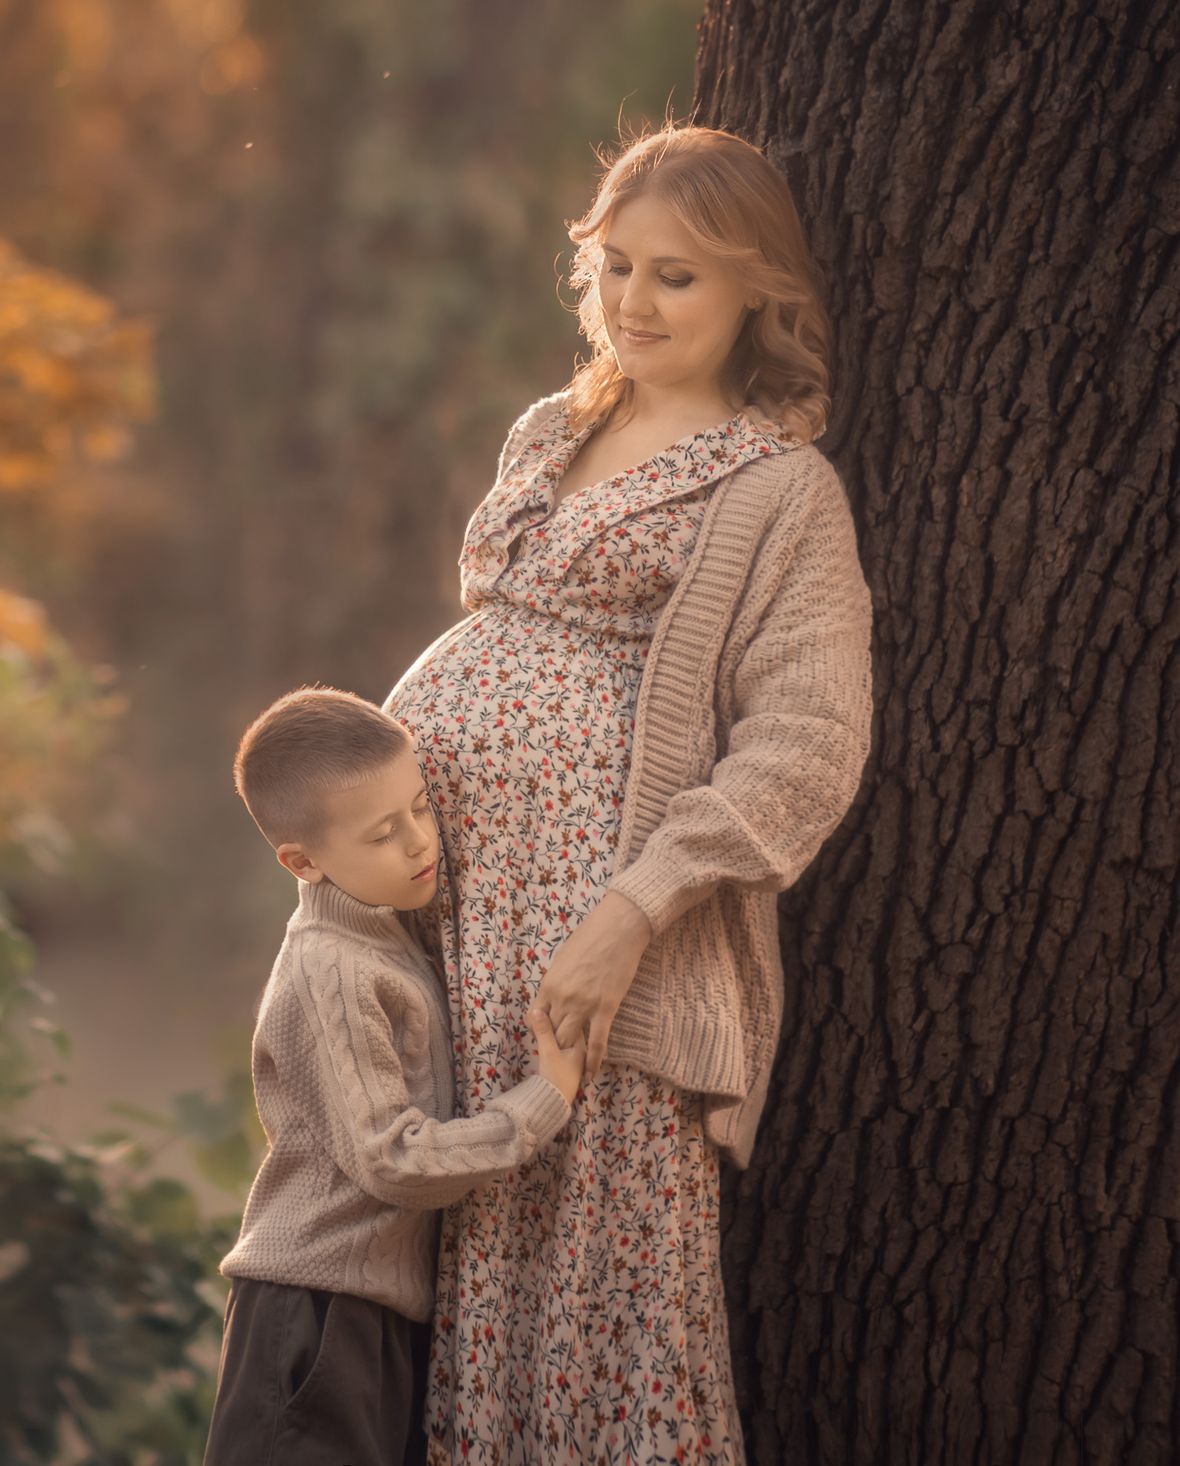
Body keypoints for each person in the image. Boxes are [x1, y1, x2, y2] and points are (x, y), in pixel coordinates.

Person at [385, 123, 875, 1462]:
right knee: (457, 1262)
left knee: (596, 1278)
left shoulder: (780, 489)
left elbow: (808, 745)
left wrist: (631, 909)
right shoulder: (553, 427)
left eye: (679, 277)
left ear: (757, 292)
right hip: (459, 919)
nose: (635, 302)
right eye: (615, 265)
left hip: (599, 936)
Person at [207, 687, 586, 1466]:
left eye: (421, 807)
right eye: (384, 832)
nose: (420, 842)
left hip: (371, 1310)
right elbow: (395, 1159)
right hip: (313, 1314)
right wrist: (544, 1099)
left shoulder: (386, 933)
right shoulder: (332, 969)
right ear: (302, 861)